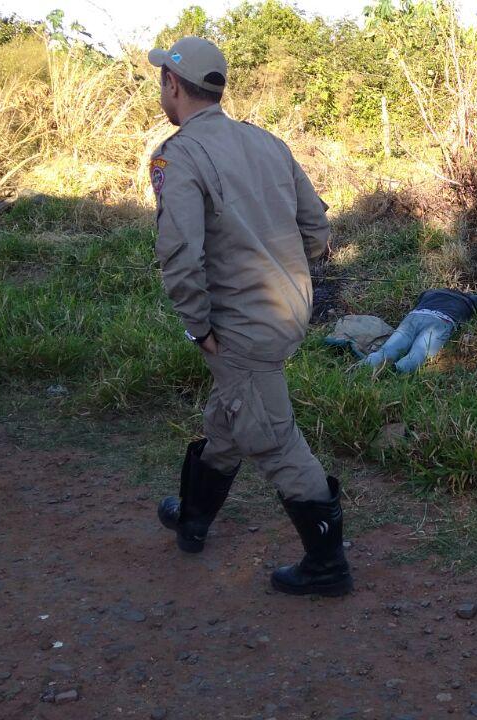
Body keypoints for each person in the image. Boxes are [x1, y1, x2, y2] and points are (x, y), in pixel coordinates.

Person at [147, 36, 351, 598]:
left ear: (172, 85)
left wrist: (199, 326)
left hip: (241, 327)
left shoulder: (178, 154)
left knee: (273, 439)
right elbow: (318, 230)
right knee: (228, 418)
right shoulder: (268, 143)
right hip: (289, 312)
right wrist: (282, 269)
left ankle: (328, 564)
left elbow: (179, 253)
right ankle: (192, 519)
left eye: (161, 78)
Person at [363, 288, 477, 373]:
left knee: (388, 349)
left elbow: (421, 296)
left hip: (415, 316)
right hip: (441, 321)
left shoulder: (431, 293)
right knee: (419, 353)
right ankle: (398, 373)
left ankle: (364, 367)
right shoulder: (469, 300)